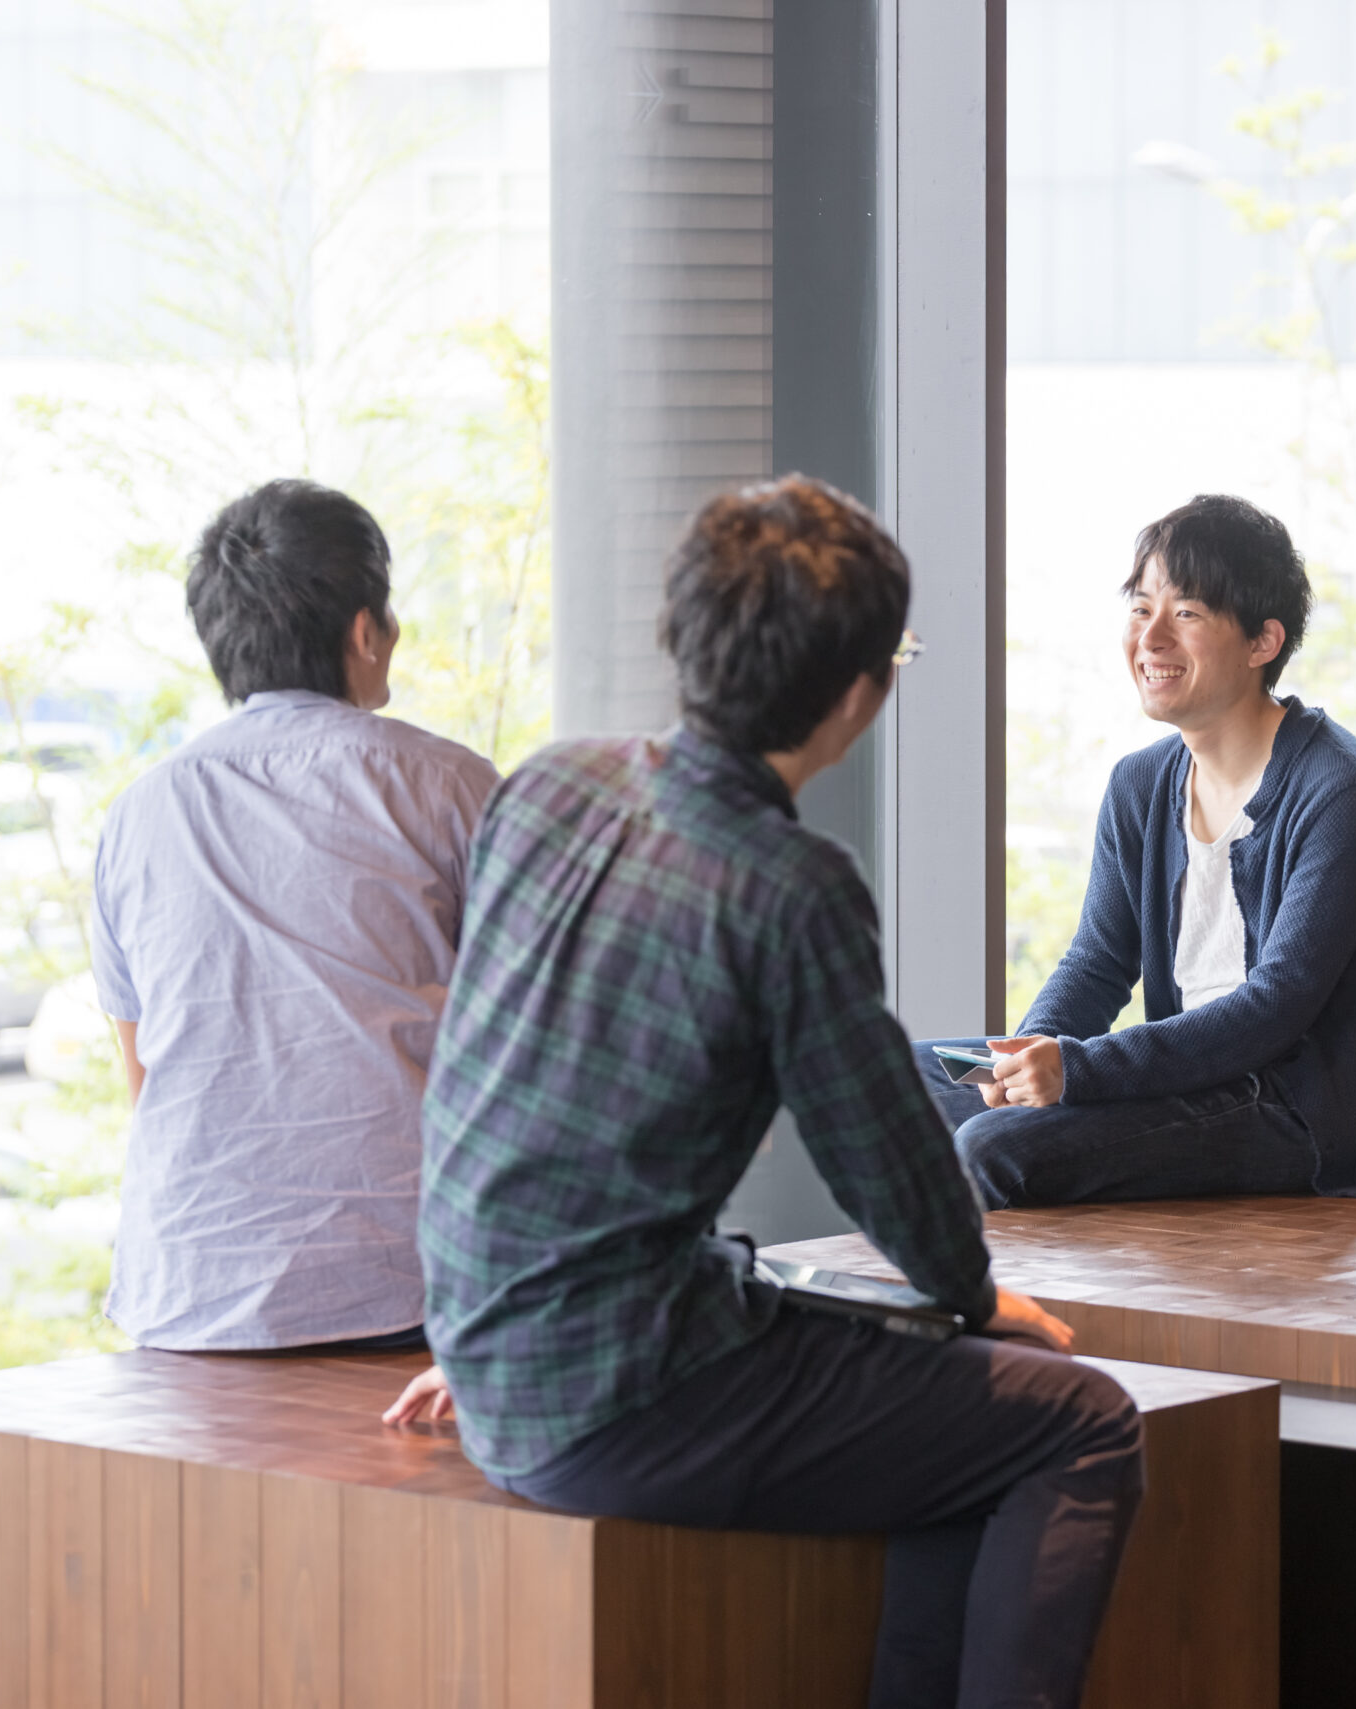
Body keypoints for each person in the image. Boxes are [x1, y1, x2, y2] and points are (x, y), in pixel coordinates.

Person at [393, 475, 1142, 1709]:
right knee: (1078, 1418)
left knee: (954, 1406)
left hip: (488, 1343)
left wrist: (500, 1325)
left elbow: (493, 1082)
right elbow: (890, 1165)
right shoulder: (790, 883)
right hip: (624, 1394)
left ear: (680, 634)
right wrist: (970, 1294)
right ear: (857, 694)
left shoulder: (549, 785)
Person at [915, 494, 1356, 1207]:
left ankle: (987, 1307)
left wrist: (1078, 1071)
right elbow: (1095, 963)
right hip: (1190, 1079)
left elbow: (1275, 1007)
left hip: (1302, 1108)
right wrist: (1026, 1058)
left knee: (993, 1148)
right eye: (1140, 607)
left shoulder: (1345, 796)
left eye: (1185, 613)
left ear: (1262, 642)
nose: (1150, 637)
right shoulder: (1141, 783)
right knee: (905, 1081)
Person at [90, 479, 500, 1352]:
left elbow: (146, 1074)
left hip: (189, 1295)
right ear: (364, 630)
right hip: (408, 1296)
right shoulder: (449, 787)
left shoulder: (139, 812)